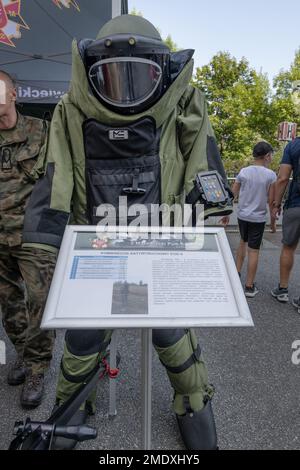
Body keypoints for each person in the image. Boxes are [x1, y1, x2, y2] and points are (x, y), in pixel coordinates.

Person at [23, 15, 233, 449]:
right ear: (92, 72)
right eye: (112, 76)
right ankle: (70, 412)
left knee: (172, 335)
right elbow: (56, 180)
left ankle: (193, 401)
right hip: (97, 251)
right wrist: (45, 244)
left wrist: (205, 207)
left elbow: (203, 162)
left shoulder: (184, 102)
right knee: (84, 338)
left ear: (163, 74)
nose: (126, 88)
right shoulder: (70, 110)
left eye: (140, 75)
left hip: (159, 247)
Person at [0, 70, 56, 408]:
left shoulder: (41, 130)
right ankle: (23, 353)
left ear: (14, 93)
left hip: (32, 236)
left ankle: (38, 367)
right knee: (9, 303)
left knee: (39, 302)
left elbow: (59, 181)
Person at [222, 142, 277, 297]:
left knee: (242, 243)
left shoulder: (243, 172)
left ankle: (236, 276)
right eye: (271, 155)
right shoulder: (271, 175)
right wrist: (273, 223)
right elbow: (272, 201)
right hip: (258, 218)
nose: (271, 157)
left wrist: (226, 214)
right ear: (267, 156)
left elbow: (233, 194)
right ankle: (249, 286)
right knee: (254, 251)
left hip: (242, 216)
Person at [271, 136, 300, 310]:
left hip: (295, 205)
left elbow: (282, 178)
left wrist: (276, 204)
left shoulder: (294, 145)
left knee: (288, 247)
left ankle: (282, 290)